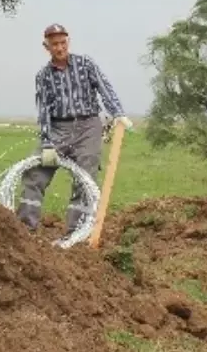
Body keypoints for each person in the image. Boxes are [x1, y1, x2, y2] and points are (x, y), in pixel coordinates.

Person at [18, 23, 132, 235]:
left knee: (85, 180)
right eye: (54, 44)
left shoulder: (85, 64)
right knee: (34, 175)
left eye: (63, 43)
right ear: (47, 47)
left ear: (68, 42)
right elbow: (43, 110)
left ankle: (75, 234)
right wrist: (46, 143)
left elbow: (104, 86)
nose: (60, 48)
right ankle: (25, 230)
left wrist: (118, 113)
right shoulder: (43, 76)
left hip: (88, 126)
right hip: (58, 128)